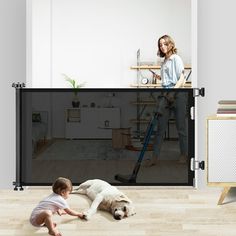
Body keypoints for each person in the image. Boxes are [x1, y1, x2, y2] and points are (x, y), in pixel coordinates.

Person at [145, 35, 188, 166]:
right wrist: (159, 77)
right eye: (160, 44)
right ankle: (154, 158)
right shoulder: (164, 62)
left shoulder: (176, 58)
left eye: (164, 44)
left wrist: (173, 93)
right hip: (165, 95)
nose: (162, 46)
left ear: (170, 44)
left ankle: (184, 155)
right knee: (160, 128)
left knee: (181, 128)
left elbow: (181, 79)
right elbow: (167, 80)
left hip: (177, 95)